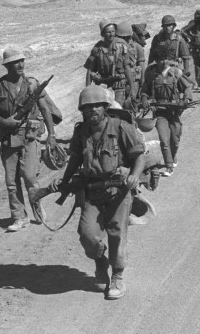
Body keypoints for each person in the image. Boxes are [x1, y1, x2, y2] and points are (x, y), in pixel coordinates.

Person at [51, 85, 145, 299]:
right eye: (87, 108)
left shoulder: (121, 128)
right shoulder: (81, 131)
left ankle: (118, 276)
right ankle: (100, 262)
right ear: (82, 111)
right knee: (88, 235)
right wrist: (64, 183)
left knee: (116, 234)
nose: (92, 111)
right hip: (91, 190)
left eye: (96, 106)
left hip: (118, 191)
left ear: (105, 107)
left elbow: (139, 156)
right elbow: (75, 158)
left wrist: (134, 175)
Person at [0, 47, 57, 231]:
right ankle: (19, 217)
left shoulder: (32, 84)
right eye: (16, 62)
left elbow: (45, 109)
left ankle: (37, 208)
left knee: (30, 176)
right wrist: (3, 122)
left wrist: (52, 135)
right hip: (8, 139)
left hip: (30, 137)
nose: (20, 64)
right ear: (7, 65)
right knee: (11, 182)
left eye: (22, 60)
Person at [141, 46, 194, 176]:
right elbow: (144, 91)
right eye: (160, 59)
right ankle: (169, 166)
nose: (163, 62)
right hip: (159, 112)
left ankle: (173, 157)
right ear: (156, 60)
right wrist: (144, 99)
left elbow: (187, 88)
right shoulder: (151, 74)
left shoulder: (176, 73)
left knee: (175, 139)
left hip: (174, 111)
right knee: (164, 140)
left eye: (165, 59)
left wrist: (186, 99)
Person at [85, 20, 132, 106]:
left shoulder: (121, 45)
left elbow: (127, 67)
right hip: (103, 86)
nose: (111, 34)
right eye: (108, 32)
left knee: (117, 110)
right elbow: (90, 70)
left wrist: (131, 86)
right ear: (102, 34)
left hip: (119, 86)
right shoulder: (97, 49)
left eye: (113, 31)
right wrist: (87, 90)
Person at [148, 15, 193, 86]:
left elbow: (185, 56)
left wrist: (186, 69)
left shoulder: (179, 39)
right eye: (165, 26)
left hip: (174, 67)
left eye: (169, 25)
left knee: (185, 85)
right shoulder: (157, 39)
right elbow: (152, 54)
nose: (167, 28)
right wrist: (149, 67)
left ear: (174, 26)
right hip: (160, 67)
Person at [114, 22, 139, 110]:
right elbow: (128, 68)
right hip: (124, 83)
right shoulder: (127, 48)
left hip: (121, 83)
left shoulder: (114, 47)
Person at [130, 23, 149, 106]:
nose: (145, 38)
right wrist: (143, 83)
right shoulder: (138, 47)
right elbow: (142, 67)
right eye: (143, 36)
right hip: (135, 81)